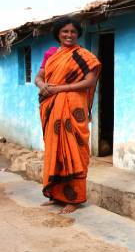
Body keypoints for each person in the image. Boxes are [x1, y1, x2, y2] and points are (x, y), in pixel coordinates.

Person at [34, 17, 101, 214]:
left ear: (78, 34)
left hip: (73, 108)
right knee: (55, 149)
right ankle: (56, 195)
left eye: (72, 31)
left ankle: (75, 198)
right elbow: (39, 76)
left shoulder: (84, 56)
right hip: (52, 108)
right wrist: (43, 85)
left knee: (75, 152)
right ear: (58, 34)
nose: (69, 35)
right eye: (65, 31)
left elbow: (89, 81)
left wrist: (60, 89)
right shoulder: (51, 54)